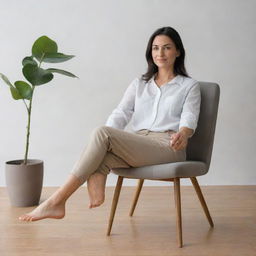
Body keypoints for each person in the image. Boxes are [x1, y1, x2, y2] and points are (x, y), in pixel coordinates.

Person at [19, 26, 201, 222]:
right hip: (140, 143)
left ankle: (56, 201)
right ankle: (83, 187)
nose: (160, 53)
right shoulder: (140, 83)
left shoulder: (189, 85)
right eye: (155, 48)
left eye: (166, 48)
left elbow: (190, 116)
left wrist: (184, 133)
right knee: (102, 151)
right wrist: (106, 141)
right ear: (150, 52)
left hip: (169, 146)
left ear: (178, 51)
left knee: (102, 134)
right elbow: (121, 113)